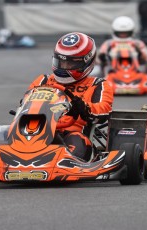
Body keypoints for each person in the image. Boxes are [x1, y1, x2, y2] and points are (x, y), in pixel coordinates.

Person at [28, 32, 114, 162]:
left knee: (78, 143)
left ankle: (62, 162)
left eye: (70, 64)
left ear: (87, 62)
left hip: (72, 133)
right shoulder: (43, 80)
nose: (64, 67)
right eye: (60, 62)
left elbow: (105, 109)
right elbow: (25, 104)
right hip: (34, 131)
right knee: (2, 135)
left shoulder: (97, 84)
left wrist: (84, 107)